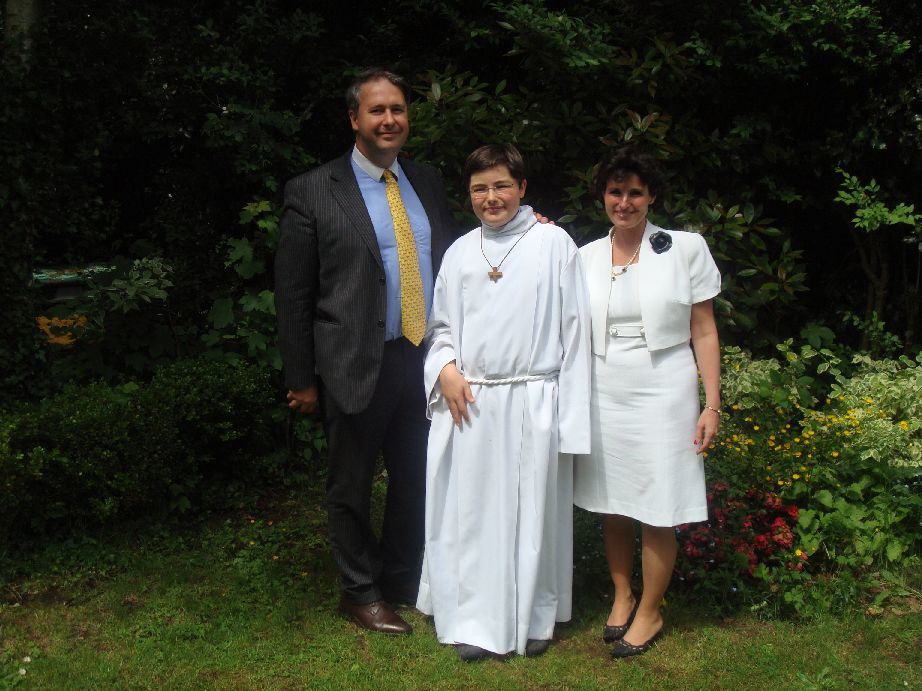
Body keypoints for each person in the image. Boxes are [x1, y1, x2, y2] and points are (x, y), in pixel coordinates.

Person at [274, 68, 459, 635]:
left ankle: (403, 579)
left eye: (398, 109)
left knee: (416, 476)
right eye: (377, 110)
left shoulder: (426, 182)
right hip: (353, 361)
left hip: (422, 359)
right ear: (354, 118)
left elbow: (465, 255)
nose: (389, 120)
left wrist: (529, 221)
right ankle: (358, 591)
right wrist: (302, 378)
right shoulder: (312, 189)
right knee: (350, 485)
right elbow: (294, 292)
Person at [416, 144, 591, 661]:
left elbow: (576, 331)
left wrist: (570, 421)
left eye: (500, 186)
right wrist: (444, 369)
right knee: (471, 515)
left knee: (534, 514)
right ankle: (472, 617)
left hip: (534, 400)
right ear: (467, 194)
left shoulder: (554, 242)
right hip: (471, 402)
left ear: (522, 188)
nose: (491, 197)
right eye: (479, 188)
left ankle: (536, 613)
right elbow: (440, 326)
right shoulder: (460, 252)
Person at [573, 145, 721, 658]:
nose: (625, 201)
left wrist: (712, 404)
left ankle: (652, 611)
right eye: (616, 191)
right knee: (613, 501)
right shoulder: (583, 256)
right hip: (603, 390)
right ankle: (622, 594)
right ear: (604, 197)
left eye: (635, 192)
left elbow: (703, 329)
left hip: (664, 388)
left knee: (657, 504)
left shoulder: (684, 248)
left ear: (651, 196)